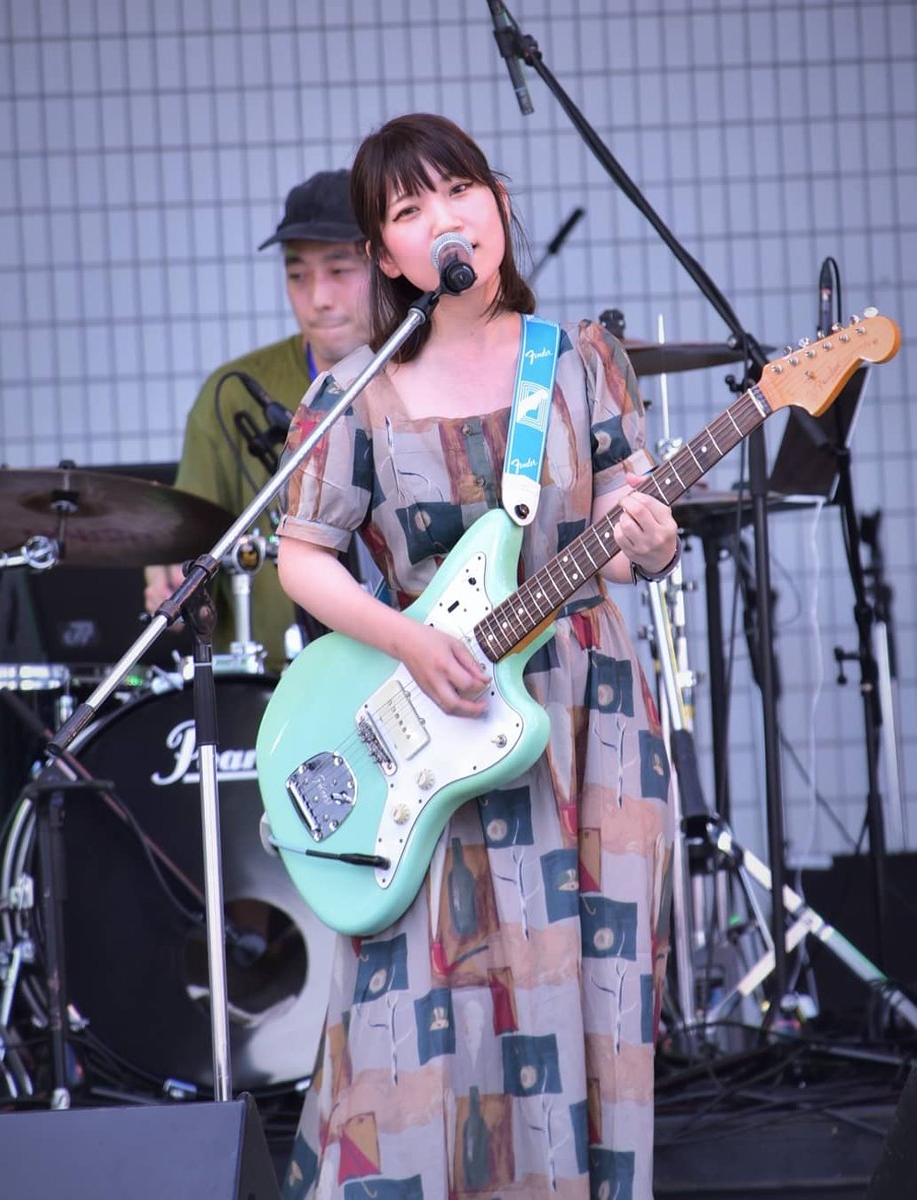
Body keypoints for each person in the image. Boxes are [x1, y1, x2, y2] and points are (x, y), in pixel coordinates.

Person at [274, 114, 679, 1200]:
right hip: (432, 720)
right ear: (386, 256)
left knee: (593, 991)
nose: (446, 219)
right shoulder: (353, 391)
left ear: (497, 205)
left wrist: (650, 538)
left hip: (587, 717)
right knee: (414, 1005)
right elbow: (302, 559)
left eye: (460, 190)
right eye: (411, 210)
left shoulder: (578, 361)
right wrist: (410, 638)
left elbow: (630, 521)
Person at [143, 169, 371, 666]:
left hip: (420, 673)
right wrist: (169, 570)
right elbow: (190, 541)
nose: (319, 297)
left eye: (339, 269)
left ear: (385, 264)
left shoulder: (427, 377)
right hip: (269, 688)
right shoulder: (234, 394)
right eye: (297, 275)